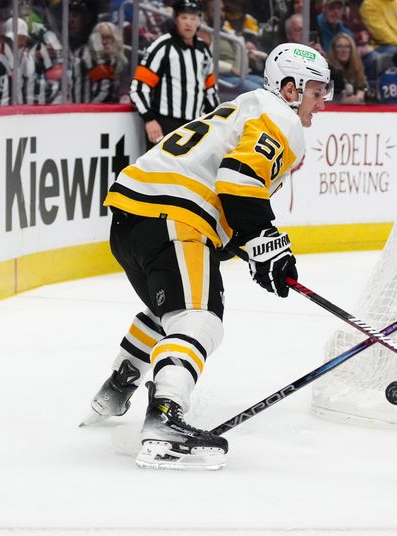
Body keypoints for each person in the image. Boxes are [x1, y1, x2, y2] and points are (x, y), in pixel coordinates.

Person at [81, 42, 333, 470]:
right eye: (315, 90)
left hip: (131, 219)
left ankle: (117, 386)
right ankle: (165, 418)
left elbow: (224, 189)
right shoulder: (282, 119)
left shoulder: (247, 107)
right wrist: (264, 241)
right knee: (199, 319)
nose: (321, 102)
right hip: (174, 218)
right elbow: (238, 179)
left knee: (168, 312)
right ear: (289, 87)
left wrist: (255, 249)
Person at [130, 0, 219, 150]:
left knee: (189, 173)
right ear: (175, 19)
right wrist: (149, 119)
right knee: (160, 173)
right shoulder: (162, 46)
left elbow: (210, 90)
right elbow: (138, 87)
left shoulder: (203, 50)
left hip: (194, 126)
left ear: (199, 21)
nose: (189, 23)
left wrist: (216, 121)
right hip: (165, 124)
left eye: (193, 18)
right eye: (184, 18)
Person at [326, 32, 368, 104]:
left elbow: (364, 86)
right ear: (334, 50)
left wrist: (361, 94)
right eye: (339, 46)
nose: (343, 50)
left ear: (352, 50)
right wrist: (341, 101)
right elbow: (324, 97)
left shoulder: (357, 68)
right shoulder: (328, 71)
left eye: (347, 47)